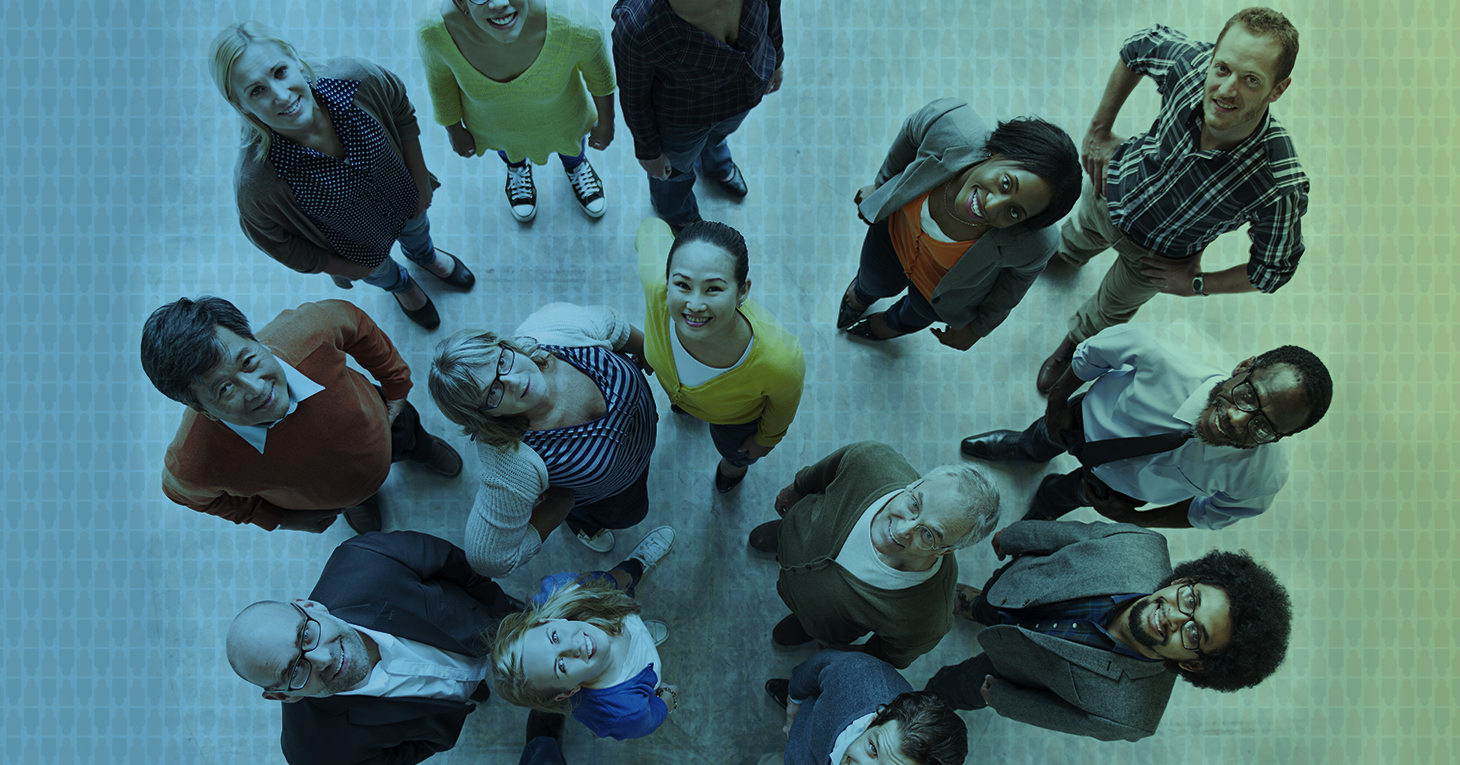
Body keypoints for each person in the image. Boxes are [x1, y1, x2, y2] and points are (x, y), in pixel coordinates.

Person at [1036, 8, 1309, 391]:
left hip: (1155, 259)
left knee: (1107, 311)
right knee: (1074, 238)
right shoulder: (1190, 66)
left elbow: (1272, 270)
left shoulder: (1278, 183)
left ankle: (1071, 347)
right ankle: (1063, 257)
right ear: (1213, 58)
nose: (1227, 90)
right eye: (1223, 68)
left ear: (1277, 89)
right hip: (1109, 191)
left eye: (1251, 80)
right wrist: (1099, 128)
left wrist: (1197, 283)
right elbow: (1138, 47)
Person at [924, 520, 1293, 742]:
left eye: (1195, 635)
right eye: (1191, 598)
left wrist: (1004, 699)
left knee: (955, 687)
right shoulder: (1140, 545)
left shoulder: (1132, 717)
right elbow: (1069, 535)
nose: (1176, 617)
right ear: (1186, 578)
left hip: (1013, 666)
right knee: (990, 602)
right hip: (1020, 587)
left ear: (1195, 665)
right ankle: (975, 606)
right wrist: (1018, 536)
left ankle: (929, 698)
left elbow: (1060, 716)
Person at [210, 21, 475, 330]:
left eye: (280, 72)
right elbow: (278, 245)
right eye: (257, 90)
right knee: (381, 273)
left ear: (295, 59)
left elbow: (400, 109)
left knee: (418, 232)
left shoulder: (357, 78)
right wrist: (351, 267)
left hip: (406, 197)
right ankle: (400, 285)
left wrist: (420, 182)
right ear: (239, 103)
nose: (281, 96)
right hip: (358, 249)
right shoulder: (257, 185)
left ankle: (424, 256)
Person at [960, 324, 1332, 528]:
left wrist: (1137, 518)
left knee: (1070, 496)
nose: (1237, 420)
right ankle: (1025, 448)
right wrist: (1056, 404)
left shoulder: (1261, 478)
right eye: (1249, 396)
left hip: (1123, 491)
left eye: (1264, 428)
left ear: (1281, 437)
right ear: (1244, 367)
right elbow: (1092, 354)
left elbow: (1211, 513)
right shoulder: (1163, 355)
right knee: (1041, 437)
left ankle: (1049, 499)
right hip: (1084, 422)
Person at [143, 297, 461, 534]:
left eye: (248, 361)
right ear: (202, 409)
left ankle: (422, 449)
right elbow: (188, 495)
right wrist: (280, 519)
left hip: (385, 423)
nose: (255, 389)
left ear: (256, 341)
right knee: (349, 493)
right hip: (327, 496)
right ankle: (358, 500)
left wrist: (396, 384)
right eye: (225, 389)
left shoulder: (309, 330)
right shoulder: (194, 462)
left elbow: (358, 326)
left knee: (411, 438)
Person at [223, 530, 533, 765]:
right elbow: (400, 756)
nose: (323, 658)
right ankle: (472, 691)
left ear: (311, 607)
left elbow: (460, 567)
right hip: (446, 710)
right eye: (295, 669)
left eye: (305, 635)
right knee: (471, 691)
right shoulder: (315, 755)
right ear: (284, 695)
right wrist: (443, 721)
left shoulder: (366, 557)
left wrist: (502, 611)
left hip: (484, 622)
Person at [429, 303, 657, 575]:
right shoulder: (510, 459)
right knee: (632, 513)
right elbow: (489, 559)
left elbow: (613, 325)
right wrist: (559, 505)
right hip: (613, 494)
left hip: (643, 438)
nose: (512, 380)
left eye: (501, 362)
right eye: (492, 393)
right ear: (484, 416)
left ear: (505, 345)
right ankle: (585, 527)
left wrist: (646, 352)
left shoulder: (555, 328)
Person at [838, 98, 1080, 349]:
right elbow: (911, 133)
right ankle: (861, 296)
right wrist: (881, 184)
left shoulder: (1035, 243)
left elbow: (1018, 280)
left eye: (1015, 212)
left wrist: (979, 328)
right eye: (1006, 183)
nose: (992, 206)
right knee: (872, 281)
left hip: (939, 294)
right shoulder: (948, 123)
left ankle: (891, 325)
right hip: (892, 236)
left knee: (911, 315)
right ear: (998, 151)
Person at [749, 441, 1001, 669]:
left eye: (928, 535)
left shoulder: (927, 619)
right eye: (914, 504)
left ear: (947, 550)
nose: (902, 530)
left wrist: (847, 652)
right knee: (786, 533)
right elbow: (824, 472)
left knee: (815, 623)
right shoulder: (871, 461)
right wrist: (796, 489)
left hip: (820, 623)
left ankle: (806, 626)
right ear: (915, 484)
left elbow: (889, 655)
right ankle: (783, 537)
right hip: (797, 528)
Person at [635, 217, 805, 493]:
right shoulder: (657, 289)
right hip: (686, 397)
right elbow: (650, 228)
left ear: (742, 291)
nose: (694, 305)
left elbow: (783, 406)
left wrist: (765, 440)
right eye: (682, 285)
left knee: (736, 451)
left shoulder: (779, 360)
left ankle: (733, 468)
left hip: (735, 420)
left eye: (713, 288)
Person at [416, 0, 616, 221]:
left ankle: (576, 166)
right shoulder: (435, 32)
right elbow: (440, 85)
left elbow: (601, 78)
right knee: (508, 148)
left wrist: (607, 121)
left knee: (572, 146)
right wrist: (453, 130)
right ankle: (517, 169)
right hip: (495, 126)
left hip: (564, 117)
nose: (499, 4)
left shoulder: (577, 26)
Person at [490, 526, 678, 741]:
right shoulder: (624, 714)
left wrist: (628, 574)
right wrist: (669, 695)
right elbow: (652, 717)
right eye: (560, 666)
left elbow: (606, 583)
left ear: (549, 620)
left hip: (616, 608)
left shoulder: (563, 591)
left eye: (554, 637)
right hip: (640, 666)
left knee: (618, 582)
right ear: (568, 691)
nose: (573, 646)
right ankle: (646, 645)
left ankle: (638, 563)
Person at [611, 0, 785, 230]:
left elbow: (772, 8)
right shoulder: (638, 25)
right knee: (674, 175)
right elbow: (634, 97)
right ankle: (676, 212)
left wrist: (776, 58)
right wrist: (649, 150)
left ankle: (715, 163)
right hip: (684, 120)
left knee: (718, 135)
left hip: (742, 94)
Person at [762, 652, 967, 765]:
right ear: (873, 720)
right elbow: (815, 668)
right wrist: (795, 703)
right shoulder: (855, 674)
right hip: (802, 735)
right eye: (873, 748)